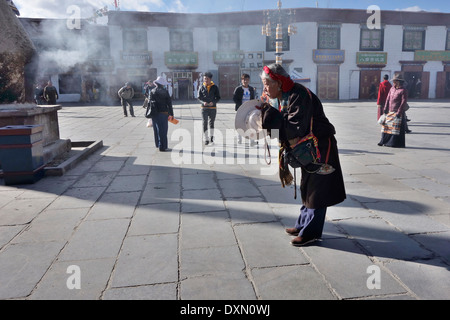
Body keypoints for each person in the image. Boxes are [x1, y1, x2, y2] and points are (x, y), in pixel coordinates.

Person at [259, 63, 346, 246]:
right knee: (307, 186)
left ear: (280, 82)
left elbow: (295, 128)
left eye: (267, 83)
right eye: (264, 83)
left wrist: (269, 115)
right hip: (305, 149)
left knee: (318, 189)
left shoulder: (299, 95)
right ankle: (302, 224)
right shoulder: (281, 98)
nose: (265, 88)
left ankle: (311, 233)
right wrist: (264, 126)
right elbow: (280, 132)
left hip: (320, 146)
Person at [378, 74, 408, 148]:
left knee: (395, 129)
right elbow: (388, 99)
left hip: (397, 111)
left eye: (395, 81)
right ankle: (383, 141)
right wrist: (385, 108)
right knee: (385, 127)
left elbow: (403, 102)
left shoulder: (403, 90)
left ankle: (393, 143)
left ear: (398, 82)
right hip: (390, 111)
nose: (393, 82)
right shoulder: (392, 89)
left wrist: (399, 112)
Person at [149, 76, 174, 152]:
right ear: (162, 84)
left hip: (155, 113)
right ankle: (163, 146)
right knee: (163, 130)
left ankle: (158, 144)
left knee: (156, 130)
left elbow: (149, 103)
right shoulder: (165, 91)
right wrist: (171, 114)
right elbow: (169, 104)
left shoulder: (152, 91)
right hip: (164, 113)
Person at [197, 72, 220, 145]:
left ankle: (211, 138)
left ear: (210, 79)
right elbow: (198, 97)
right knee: (205, 122)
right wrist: (203, 102)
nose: (205, 80)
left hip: (212, 108)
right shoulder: (201, 87)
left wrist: (213, 102)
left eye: (207, 79)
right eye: (204, 79)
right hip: (204, 108)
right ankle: (206, 138)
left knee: (211, 123)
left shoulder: (215, 87)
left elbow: (218, 97)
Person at [233, 73, 256, 144]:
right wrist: (240, 105)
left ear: (249, 80)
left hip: (249, 109)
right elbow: (234, 99)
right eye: (244, 80)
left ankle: (252, 140)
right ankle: (239, 139)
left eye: (247, 80)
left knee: (250, 124)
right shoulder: (238, 89)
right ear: (241, 80)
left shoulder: (251, 89)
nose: (245, 81)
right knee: (240, 124)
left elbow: (252, 98)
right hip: (240, 109)